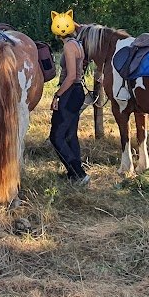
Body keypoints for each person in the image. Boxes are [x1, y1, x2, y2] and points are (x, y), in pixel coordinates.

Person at [49, 10, 90, 185]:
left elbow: (71, 75)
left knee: (56, 136)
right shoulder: (79, 44)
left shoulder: (68, 46)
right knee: (70, 134)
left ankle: (78, 173)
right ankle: (75, 174)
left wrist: (57, 95)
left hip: (70, 91)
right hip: (78, 91)